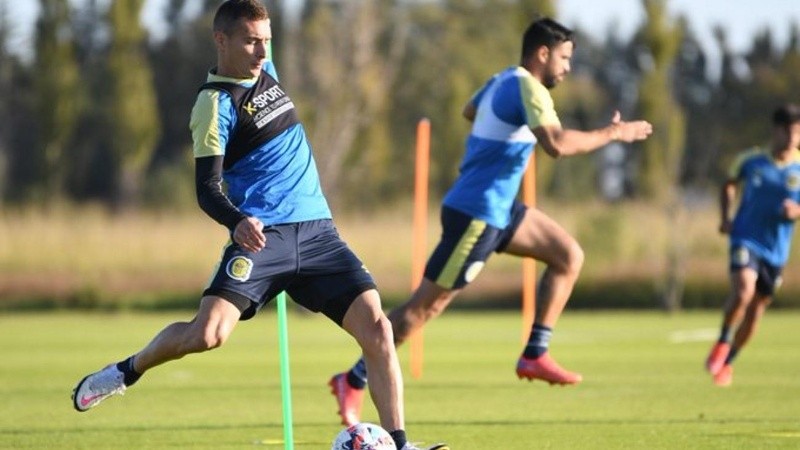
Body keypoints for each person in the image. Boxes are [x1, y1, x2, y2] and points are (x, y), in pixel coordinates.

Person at [70, 2, 446, 449]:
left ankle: (401, 444)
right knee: (207, 335)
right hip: (263, 239)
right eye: (251, 40)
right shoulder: (213, 105)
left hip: (320, 234)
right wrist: (237, 221)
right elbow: (207, 188)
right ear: (221, 40)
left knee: (379, 329)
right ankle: (126, 370)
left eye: (267, 39)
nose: (261, 50)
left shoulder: (268, 69)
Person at [329, 17, 653, 426]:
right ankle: (353, 379)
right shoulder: (528, 88)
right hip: (476, 214)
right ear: (542, 53)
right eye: (565, 58)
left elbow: (469, 110)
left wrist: (498, 132)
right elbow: (555, 144)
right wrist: (613, 134)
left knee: (568, 255)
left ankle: (535, 352)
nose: (568, 68)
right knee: (422, 310)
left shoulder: (502, 80)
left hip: (500, 209)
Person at [704, 103, 800, 387]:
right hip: (746, 237)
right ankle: (722, 340)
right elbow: (729, 184)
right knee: (744, 290)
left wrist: (796, 211)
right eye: (791, 132)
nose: (795, 138)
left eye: (799, 133)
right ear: (777, 131)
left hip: (776, 250)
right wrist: (725, 218)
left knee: (756, 309)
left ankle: (729, 362)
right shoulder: (751, 160)